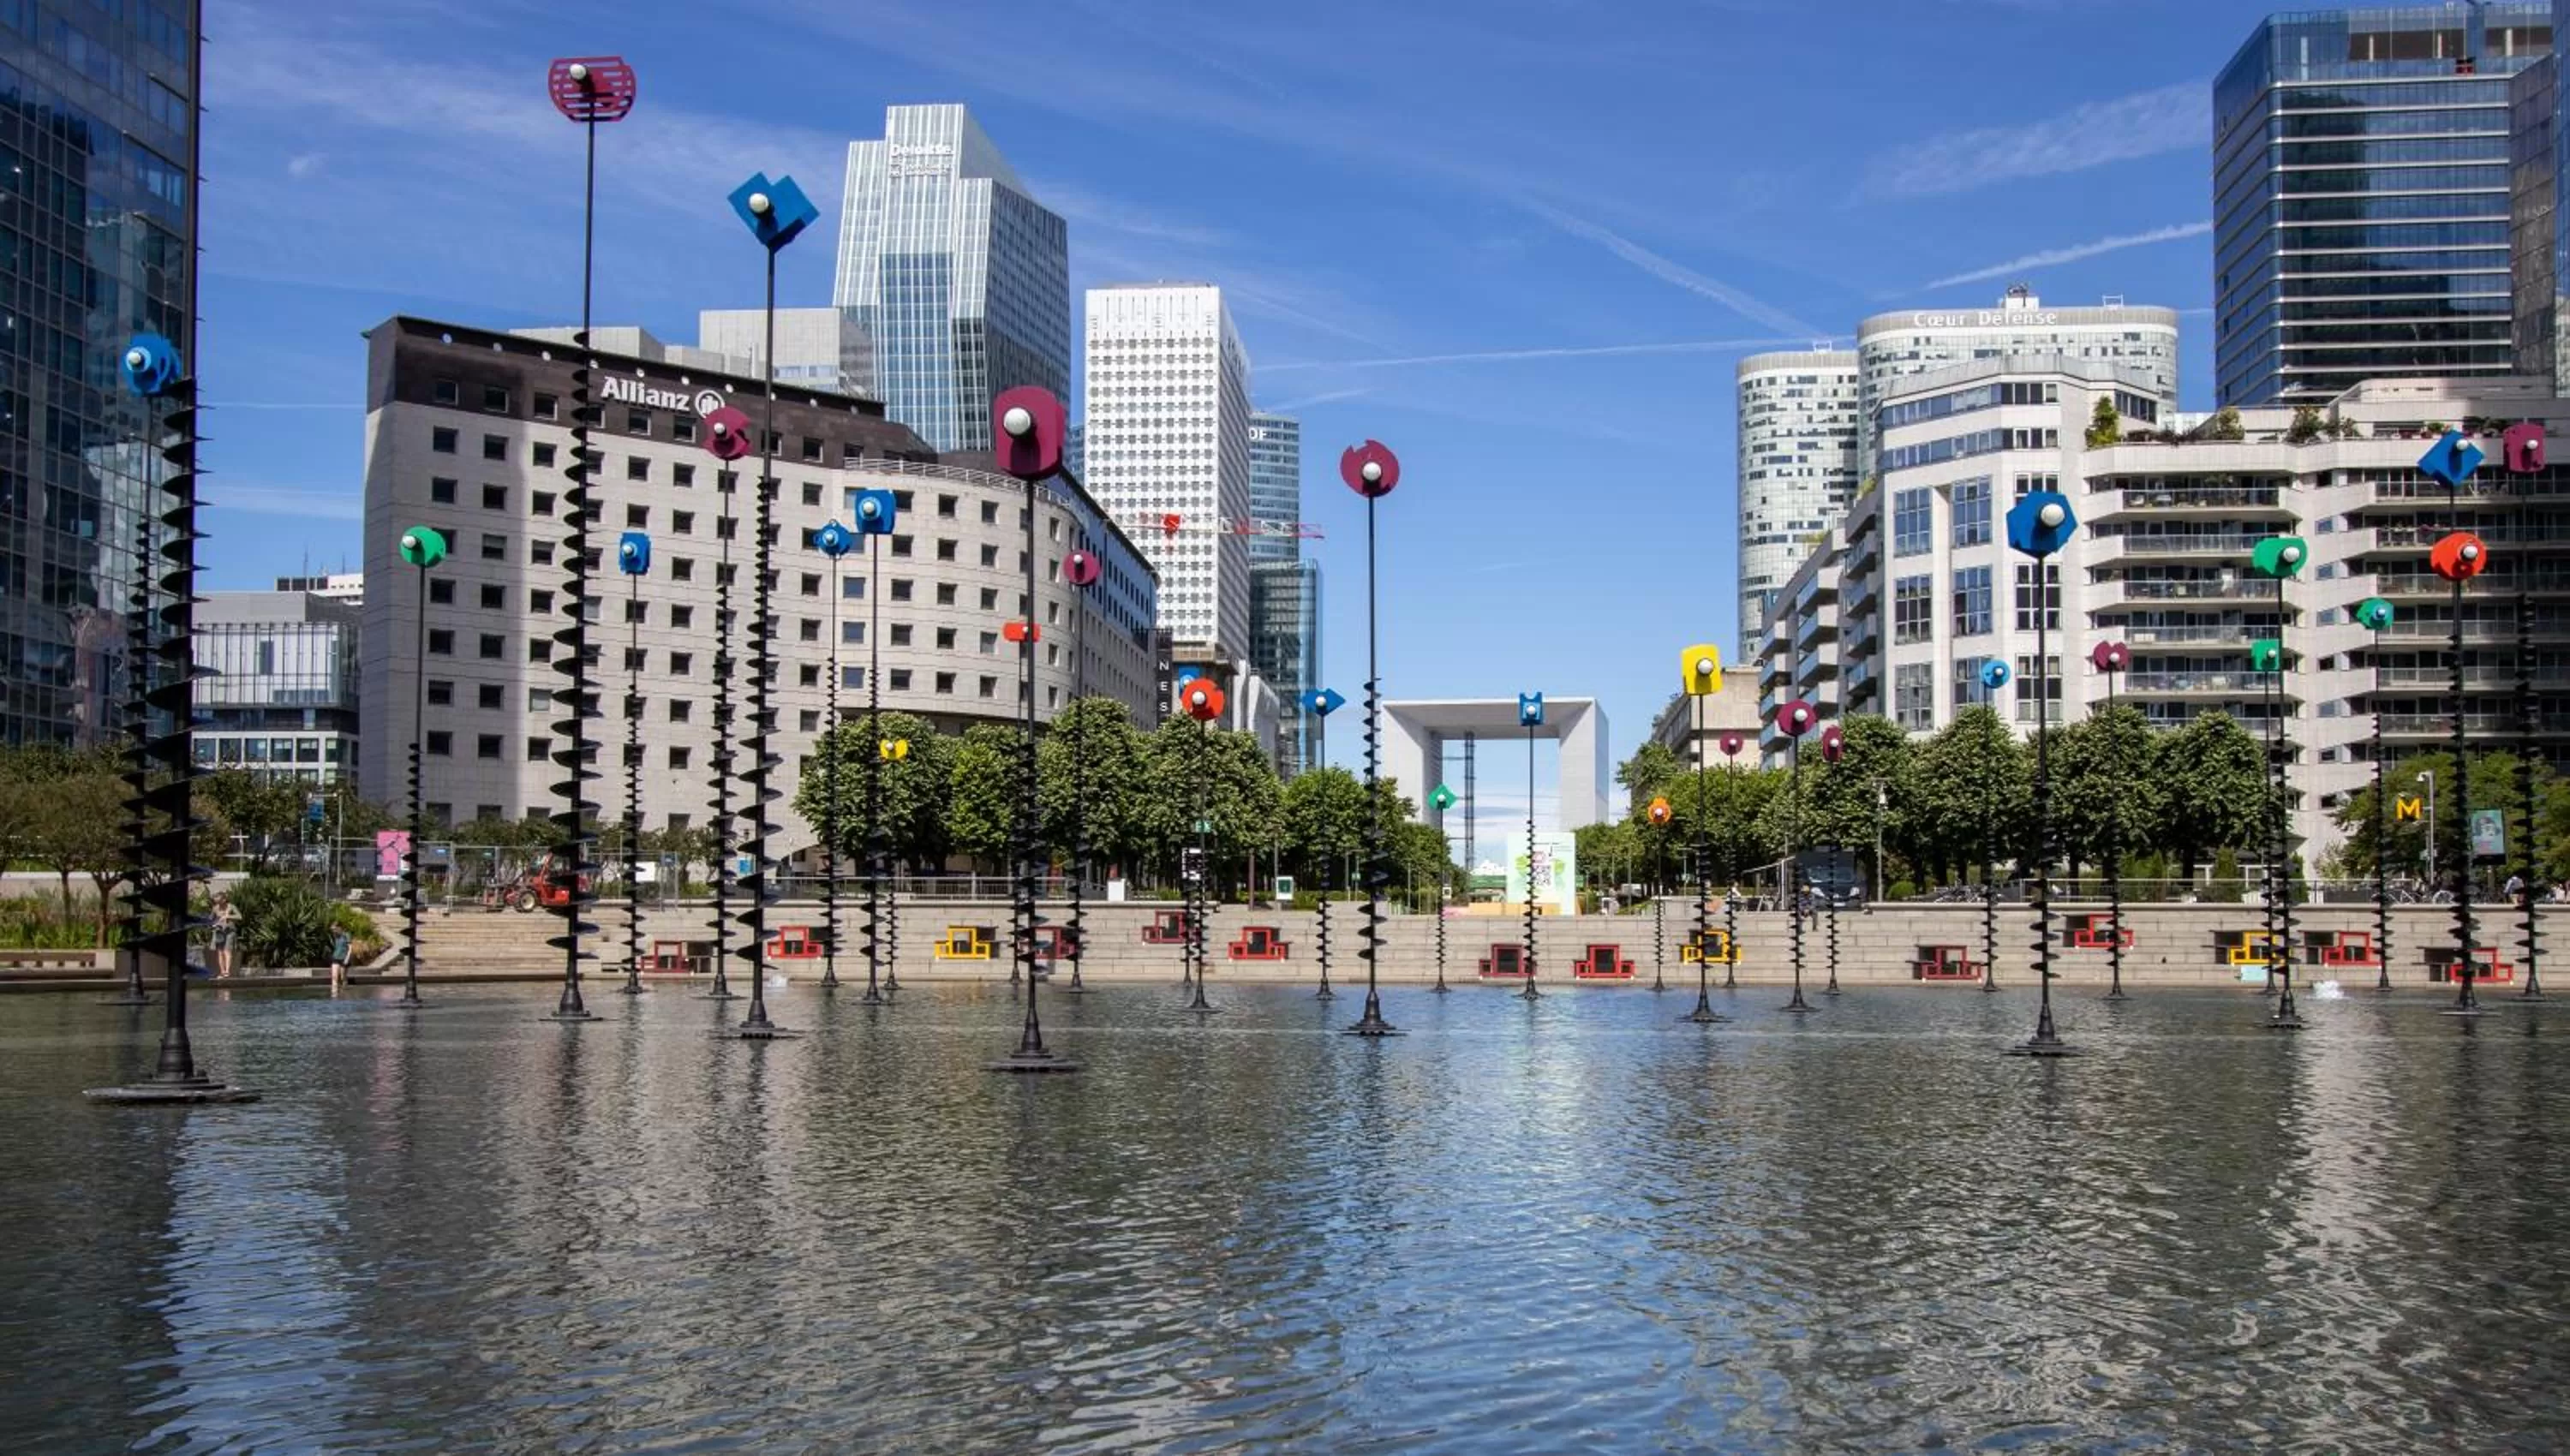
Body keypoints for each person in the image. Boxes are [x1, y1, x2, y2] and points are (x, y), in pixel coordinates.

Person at [210, 892, 239, 980]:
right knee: (220, 952)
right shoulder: (215, 908)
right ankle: (222, 972)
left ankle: (227, 971)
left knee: (227, 951)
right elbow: (211, 919)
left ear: (224, 900)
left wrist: (228, 916)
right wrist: (213, 924)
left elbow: (239, 916)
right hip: (219, 932)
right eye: (216, 901)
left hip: (229, 931)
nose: (218, 903)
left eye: (219, 901)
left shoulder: (231, 907)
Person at [327, 923, 353, 996]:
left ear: (339, 928)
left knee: (342, 977)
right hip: (336, 957)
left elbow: (350, 948)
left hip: (344, 958)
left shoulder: (346, 935)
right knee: (334, 977)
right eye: (332, 930)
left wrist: (347, 958)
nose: (333, 931)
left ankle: (344, 993)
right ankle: (334, 995)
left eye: (334, 929)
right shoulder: (335, 936)